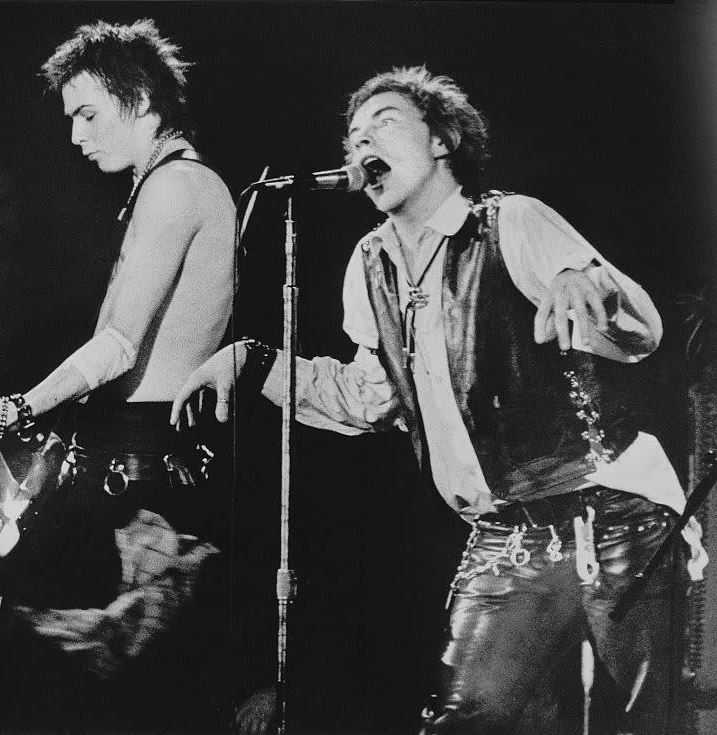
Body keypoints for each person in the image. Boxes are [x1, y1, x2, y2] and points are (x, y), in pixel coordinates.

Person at [172, 66, 705, 734]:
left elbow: (642, 329)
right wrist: (254, 361)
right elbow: (368, 399)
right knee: (461, 718)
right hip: (507, 536)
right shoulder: (372, 265)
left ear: (443, 141)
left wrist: (581, 281)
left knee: (652, 722)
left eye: (386, 123)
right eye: (353, 135)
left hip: (615, 520)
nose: (362, 141)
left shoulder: (510, 221)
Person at [0, 18, 235, 732]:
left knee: (60, 667)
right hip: (143, 459)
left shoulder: (178, 186)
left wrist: (11, 410)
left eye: (88, 113)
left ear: (143, 102)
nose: (75, 135)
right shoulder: (168, 186)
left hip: (154, 473)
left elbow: (118, 348)